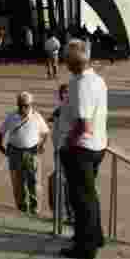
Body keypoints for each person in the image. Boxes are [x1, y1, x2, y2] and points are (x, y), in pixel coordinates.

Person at [59, 39, 108, 259]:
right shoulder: (96, 79)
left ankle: (85, 246)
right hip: (96, 146)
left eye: (66, 58)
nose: (64, 62)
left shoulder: (81, 84)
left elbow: (83, 123)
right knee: (89, 194)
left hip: (81, 149)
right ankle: (95, 236)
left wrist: (68, 142)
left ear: (73, 61)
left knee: (80, 198)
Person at [0, 91, 50, 214]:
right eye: (20, 105)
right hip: (15, 151)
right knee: (18, 182)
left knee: (34, 181)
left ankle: (35, 208)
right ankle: (21, 208)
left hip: (31, 152)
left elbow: (45, 132)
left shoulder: (37, 116)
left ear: (31, 105)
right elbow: (1, 131)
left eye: (25, 105)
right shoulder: (11, 116)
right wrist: (0, 145)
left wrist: (41, 145)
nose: (22, 108)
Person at [48, 84, 75, 224]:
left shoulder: (72, 109)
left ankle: (68, 214)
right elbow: (52, 119)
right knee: (58, 181)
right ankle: (62, 213)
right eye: (62, 93)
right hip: (59, 150)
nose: (63, 95)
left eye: (66, 93)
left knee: (65, 182)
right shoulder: (59, 109)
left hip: (67, 151)